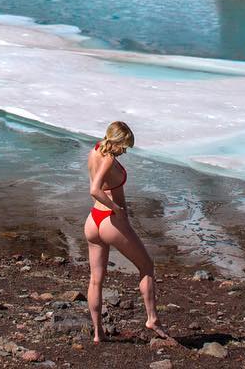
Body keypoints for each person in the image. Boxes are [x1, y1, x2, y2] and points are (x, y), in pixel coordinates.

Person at [84, 120, 169, 343]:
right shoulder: (109, 159)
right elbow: (95, 189)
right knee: (147, 266)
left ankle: (97, 333)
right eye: (124, 146)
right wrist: (117, 208)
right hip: (111, 222)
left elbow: (97, 184)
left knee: (96, 280)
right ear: (116, 141)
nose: (124, 151)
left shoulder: (95, 150)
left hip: (93, 220)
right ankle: (152, 319)